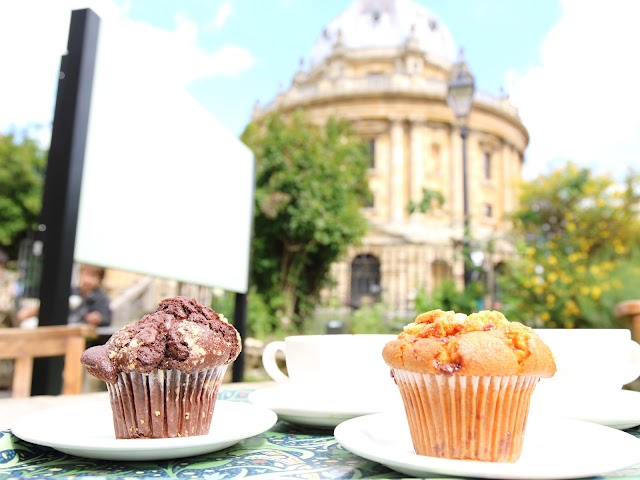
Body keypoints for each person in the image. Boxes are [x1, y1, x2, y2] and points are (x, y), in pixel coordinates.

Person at [17, 263, 111, 327]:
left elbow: (105, 319)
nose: (87, 279)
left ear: (99, 279)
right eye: (85, 274)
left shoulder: (102, 298)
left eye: (92, 276)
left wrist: (97, 318)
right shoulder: (70, 291)